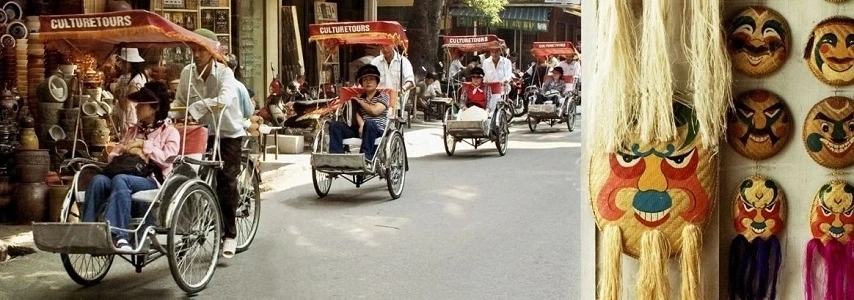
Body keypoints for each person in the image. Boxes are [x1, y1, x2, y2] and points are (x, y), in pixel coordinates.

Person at [171, 28, 243, 259]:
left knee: (226, 182)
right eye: (193, 49)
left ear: (212, 52)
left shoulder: (224, 73)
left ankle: (229, 234)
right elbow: (179, 102)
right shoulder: (187, 73)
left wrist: (198, 107)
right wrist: (168, 116)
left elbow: (225, 98)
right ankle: (187, 233)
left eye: (201, 50)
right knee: (186, 177)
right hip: (200, 133)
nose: (196, 54)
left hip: (228, 133)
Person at [82, 81, 180, 251]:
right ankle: (88, 231)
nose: (136, 107)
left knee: (121, 180)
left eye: (141, 104)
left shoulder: (170, 132)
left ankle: (120, 235)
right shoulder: (132, 130)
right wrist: (129, 150)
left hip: (151, 180)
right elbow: (113, 156)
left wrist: (143, 145)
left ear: (155, 108)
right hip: (124, 173)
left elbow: (166, 160)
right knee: (98, 180)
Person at [328, 65, 390, 163]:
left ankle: (365, 157)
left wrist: (361, 102)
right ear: (361, 83)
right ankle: (336, 158)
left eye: (371, 79)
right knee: (334, 125)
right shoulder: (358, 97)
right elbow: (356, 113)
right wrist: (361, 125)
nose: (368, 82)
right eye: (365, 80)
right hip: (360, 129)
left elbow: (375, 111)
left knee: (370, 123)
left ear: (377, 82)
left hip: (377, 129)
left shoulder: (383, 96)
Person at [110, 48, 149, 140]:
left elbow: (126, 105)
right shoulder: (123, 77)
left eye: (124, 63)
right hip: (123, 119)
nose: (121, 65)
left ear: (132, 63)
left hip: (131, 119)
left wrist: (118, 94)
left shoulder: (137, 79)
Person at [371, 44, 414, 120]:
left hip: (396, 101)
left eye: (387, 46)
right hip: (378, 100)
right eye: (382, 47)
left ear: (393, 45)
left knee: (392, 120)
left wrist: (402, 89)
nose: (385, 49)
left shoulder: (403, 61)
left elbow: (410, 81)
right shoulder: (375, 62)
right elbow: (369, 78)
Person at [481, 48, 513, 113]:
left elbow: (508, 75)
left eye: (496, 51)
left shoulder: (507, 62)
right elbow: (484, 76)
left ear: (500, 51)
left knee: (497, 104)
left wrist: (504, 82)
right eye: (492, 51)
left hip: (502, 88)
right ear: (490, 52)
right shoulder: (486, 62)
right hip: (489, 88)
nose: (494, 54)